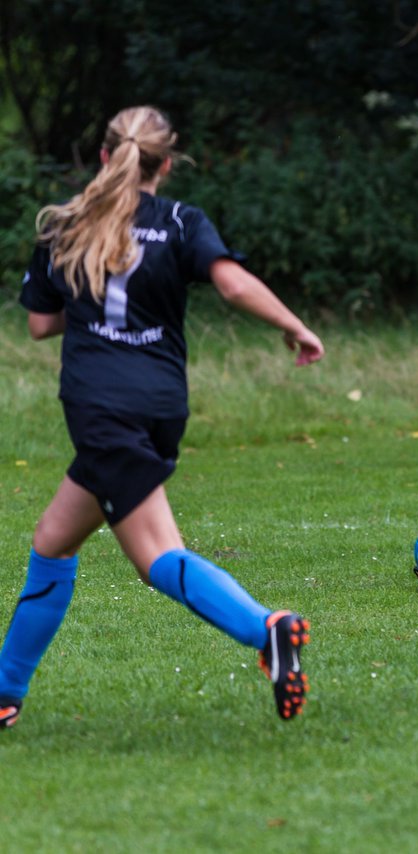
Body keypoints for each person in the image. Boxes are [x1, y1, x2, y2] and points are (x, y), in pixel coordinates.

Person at [0, 105, 324, 731]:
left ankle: (268, 630)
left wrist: (88, 302)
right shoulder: (182, 221)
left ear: (103, 156)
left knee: (156, 558)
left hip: (100, 408)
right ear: (167, 164)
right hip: (159, 406)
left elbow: (41, 324)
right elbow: (231, 286)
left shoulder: (68, 224)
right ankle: (6, 691)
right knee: (52, 541)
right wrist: (294, 325)